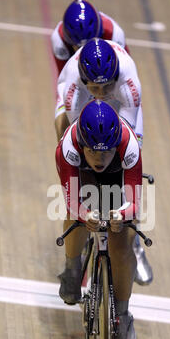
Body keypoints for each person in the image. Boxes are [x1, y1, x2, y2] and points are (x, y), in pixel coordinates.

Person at [55, 37, 152, 285]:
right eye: (95, 88)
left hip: (121, 112)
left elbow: (127, 134)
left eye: (106, 86)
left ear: (115, 77)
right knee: (76, 156)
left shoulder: (129, 83)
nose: (100, 94)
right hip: (82, 113)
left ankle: (135, 244)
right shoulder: (73, 90)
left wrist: (125, 204)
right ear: (84, 79)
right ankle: (73, 266)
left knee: (129, 160)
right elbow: (80, 137)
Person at [56, 100, 142, 339]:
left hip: (118, 179)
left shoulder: (130, 147)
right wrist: (84, 213)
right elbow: (71, 200)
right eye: (93, 151)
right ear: (82, 145)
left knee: (122, 244)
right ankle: (72, 271)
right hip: (82, 177)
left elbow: (134, 202)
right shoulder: (68, 147)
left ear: (116, 145)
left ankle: (123, 316)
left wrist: (121, 214)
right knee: (78, 219)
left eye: (106, 152)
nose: (100, 158)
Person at [51, 0, 129, 76]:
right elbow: (63, 77)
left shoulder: (113, 33)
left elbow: (127, 70)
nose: (84, 50)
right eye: (78, 47)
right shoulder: (59, 41)